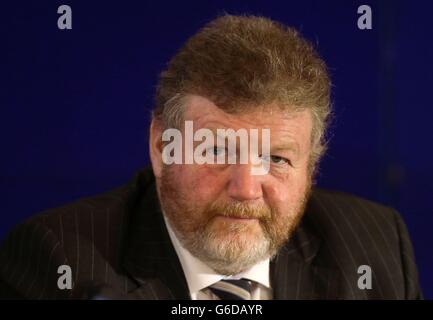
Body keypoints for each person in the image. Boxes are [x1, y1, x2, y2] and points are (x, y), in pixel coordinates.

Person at [0, 14, 422, 300]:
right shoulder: (61, 261)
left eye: (276, 159)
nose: (245, 188)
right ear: (161, 147)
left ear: (310, 166)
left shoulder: (376, 248)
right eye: (217, 151)